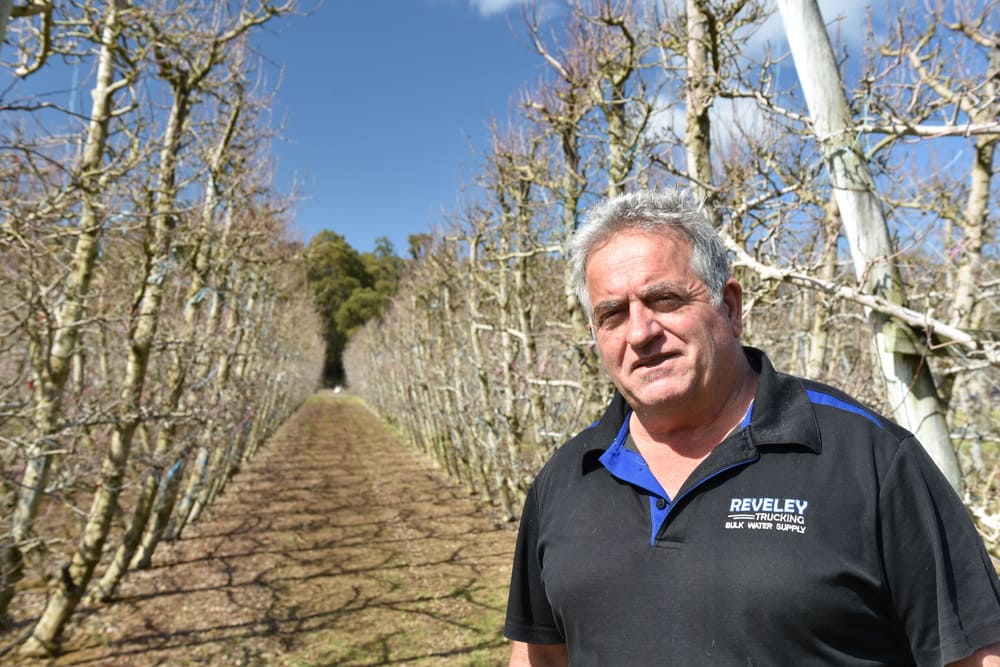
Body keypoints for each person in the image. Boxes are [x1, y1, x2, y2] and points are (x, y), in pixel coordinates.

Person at [503, 188, 1000, 666]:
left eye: (665, 300)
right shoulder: (564, 480)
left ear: (731, 307)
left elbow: (977, 656)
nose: (641, 333)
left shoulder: (868, 458)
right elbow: (540, 654)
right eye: (612, 314)